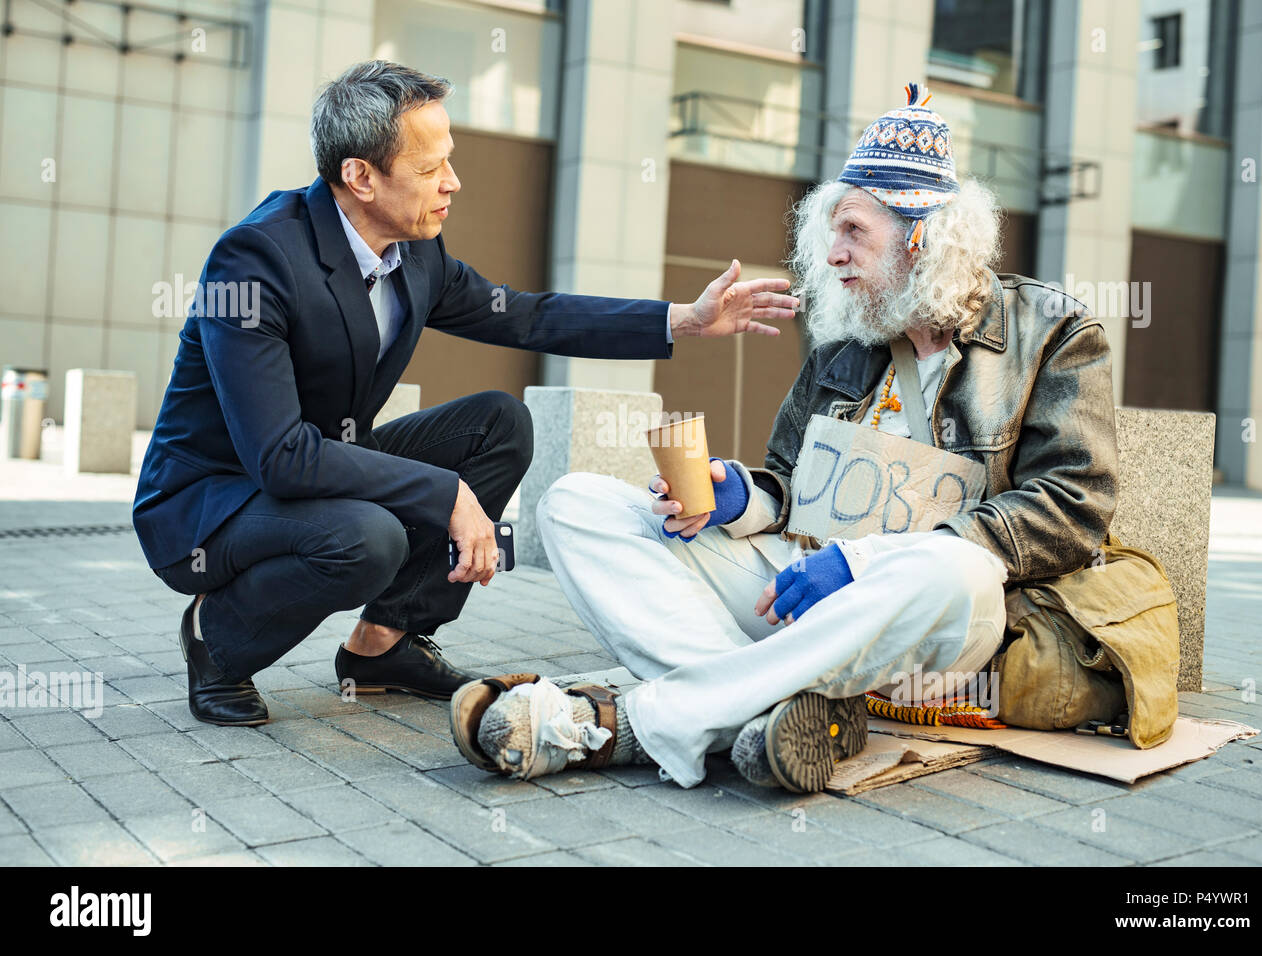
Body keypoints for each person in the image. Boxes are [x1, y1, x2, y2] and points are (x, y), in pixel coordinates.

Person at [453, 83, 1120, 793]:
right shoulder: (848, 345)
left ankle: (642, 724)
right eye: (831, 231)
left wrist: (862, 564)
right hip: (806, 599)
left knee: (957, 570)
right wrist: (737, 497)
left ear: (923, 235)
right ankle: (768, 711)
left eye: (853, 232)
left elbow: (1074, 503)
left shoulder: (1053, 332)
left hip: (942, 626)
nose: (831, 255)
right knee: (571, 503)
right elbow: (787, 483)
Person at [132, 60, 798, 727]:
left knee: (498, 424)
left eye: (448, 160)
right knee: (368, 539)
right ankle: (217, 641)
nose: (452, 183)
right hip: (211, 502)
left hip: (316, 465)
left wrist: (684, 319)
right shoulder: (256, 260)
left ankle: (382, 648)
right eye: (428, 170)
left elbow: (528, 315)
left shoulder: (415, 250)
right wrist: (445, 495)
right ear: (361, 176)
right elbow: (278, 456)